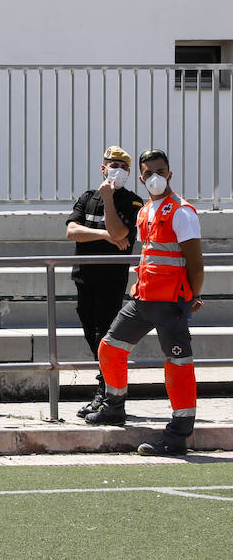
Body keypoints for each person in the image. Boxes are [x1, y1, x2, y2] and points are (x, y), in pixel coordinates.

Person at [86, 149, 204, 456]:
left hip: (171, 302)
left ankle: (178, 435)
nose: (155, 177)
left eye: (160, 171)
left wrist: (193, 296)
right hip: (143, 298)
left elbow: (196, 263)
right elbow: (148, 253)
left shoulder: (181, 211)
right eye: (149, 172)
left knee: (178, 364)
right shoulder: (145, 212)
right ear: (142, 177)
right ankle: (114, 406)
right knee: (110, 348)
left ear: (170, 174)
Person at [66, 146, 143, 418]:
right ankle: (106, 387)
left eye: (123, 167)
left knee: (105, 335)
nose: (117, 171)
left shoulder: (132, 201)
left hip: (111, 277)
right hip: (85, 276)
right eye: (113, 165)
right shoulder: (87, 197)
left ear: (129, 173)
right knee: (90, 332)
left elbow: (121, 230)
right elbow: (72, 231)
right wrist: (105, 236)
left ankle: (108, 393)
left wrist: (109, 199)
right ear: (103, 168)